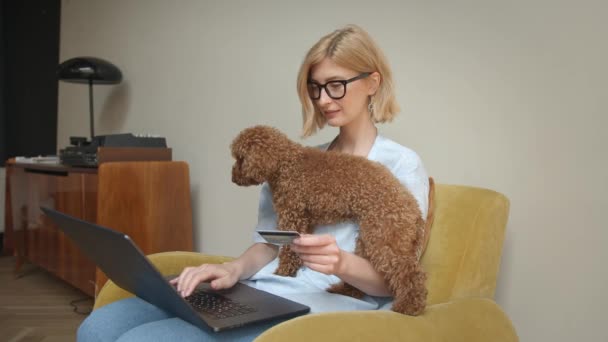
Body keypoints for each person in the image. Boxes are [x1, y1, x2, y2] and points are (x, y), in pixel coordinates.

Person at [77, 24, 429, 342]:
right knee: (98, 328)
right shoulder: (298, 163)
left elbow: (391, 282)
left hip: (330, 304)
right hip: (268, 291)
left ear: (373, 82)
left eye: (336, 85)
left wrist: (340, 263)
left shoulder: (400, 164)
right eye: (315, 87)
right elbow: (267, 244)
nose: (323, 99)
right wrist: (231, 269)